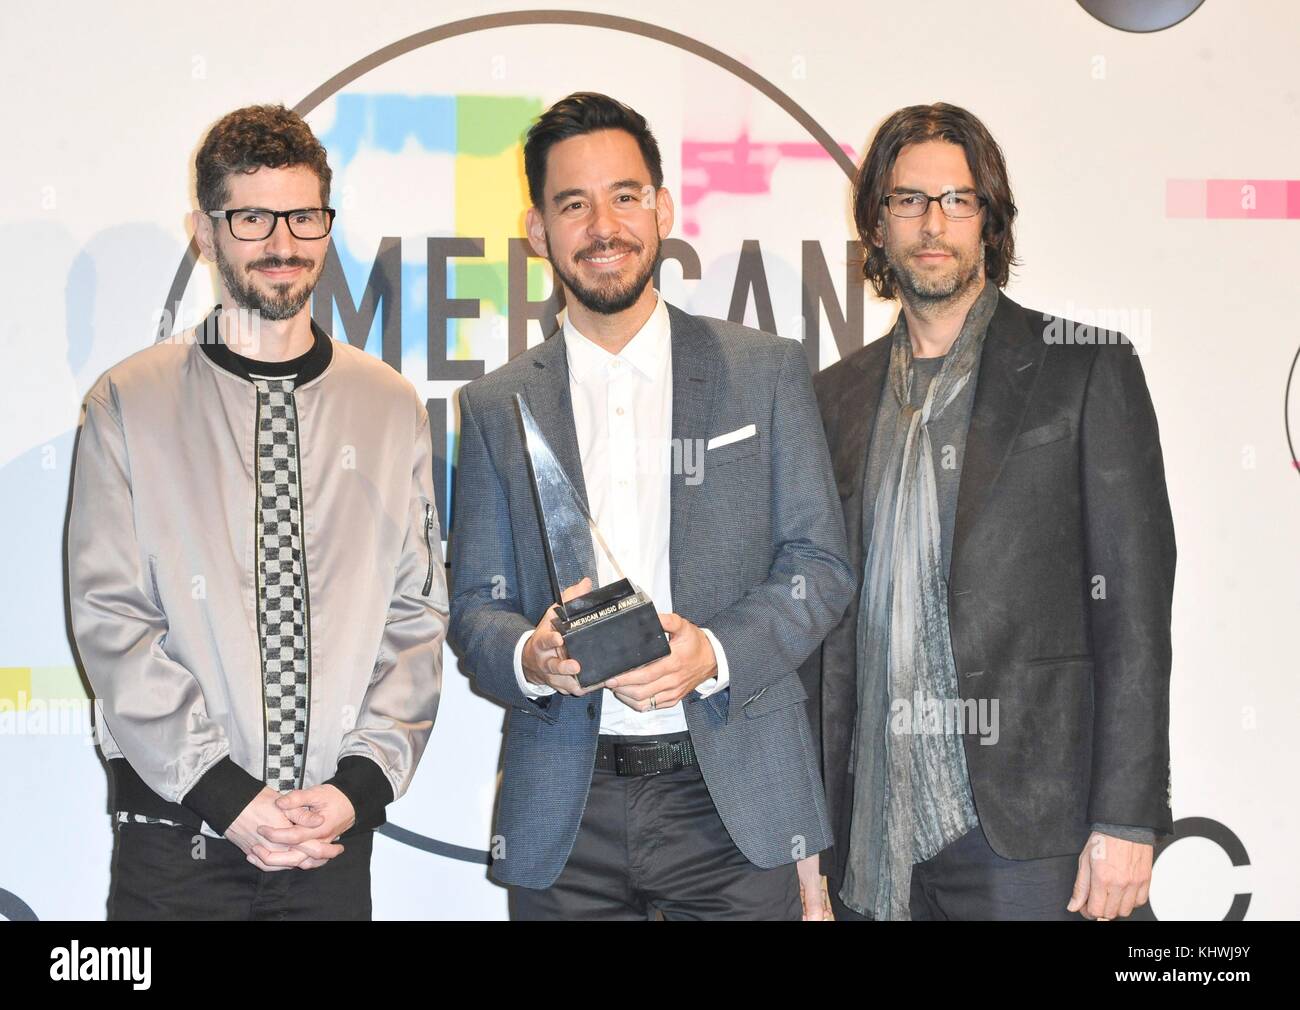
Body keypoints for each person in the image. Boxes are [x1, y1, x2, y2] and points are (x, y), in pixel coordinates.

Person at [448, 92, 853, 919]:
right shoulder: (496, 406)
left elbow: (821, 566)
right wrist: (534, 656)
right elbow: (473, 610)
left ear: (663, 208)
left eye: (625, 195)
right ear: (538, 231)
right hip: (568, 804)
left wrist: (717, 651)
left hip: (732, 798)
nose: (604, 226)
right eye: (574, 204)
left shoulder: (763, 370)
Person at [67, 104, 448, 920]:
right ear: (205, 232)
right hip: (175, 840)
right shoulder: (129, 404)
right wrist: (226, 794)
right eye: (252, 217)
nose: (283, 243)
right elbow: (111, 620)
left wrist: (357, 789)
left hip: (328, 841)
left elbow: (415, 618)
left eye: (304, 215)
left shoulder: (386, 405)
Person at [808, 102, 1176, 921]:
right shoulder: (832, 399)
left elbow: (1137, 615)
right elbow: (817, 633)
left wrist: (1128, 816)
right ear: (877, 220)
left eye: (957, 200)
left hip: (1032, 834)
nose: (932, 223)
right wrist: (809, 843)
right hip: (872, 832)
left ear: (990, 219)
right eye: (908, 200)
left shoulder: (1084, 370)